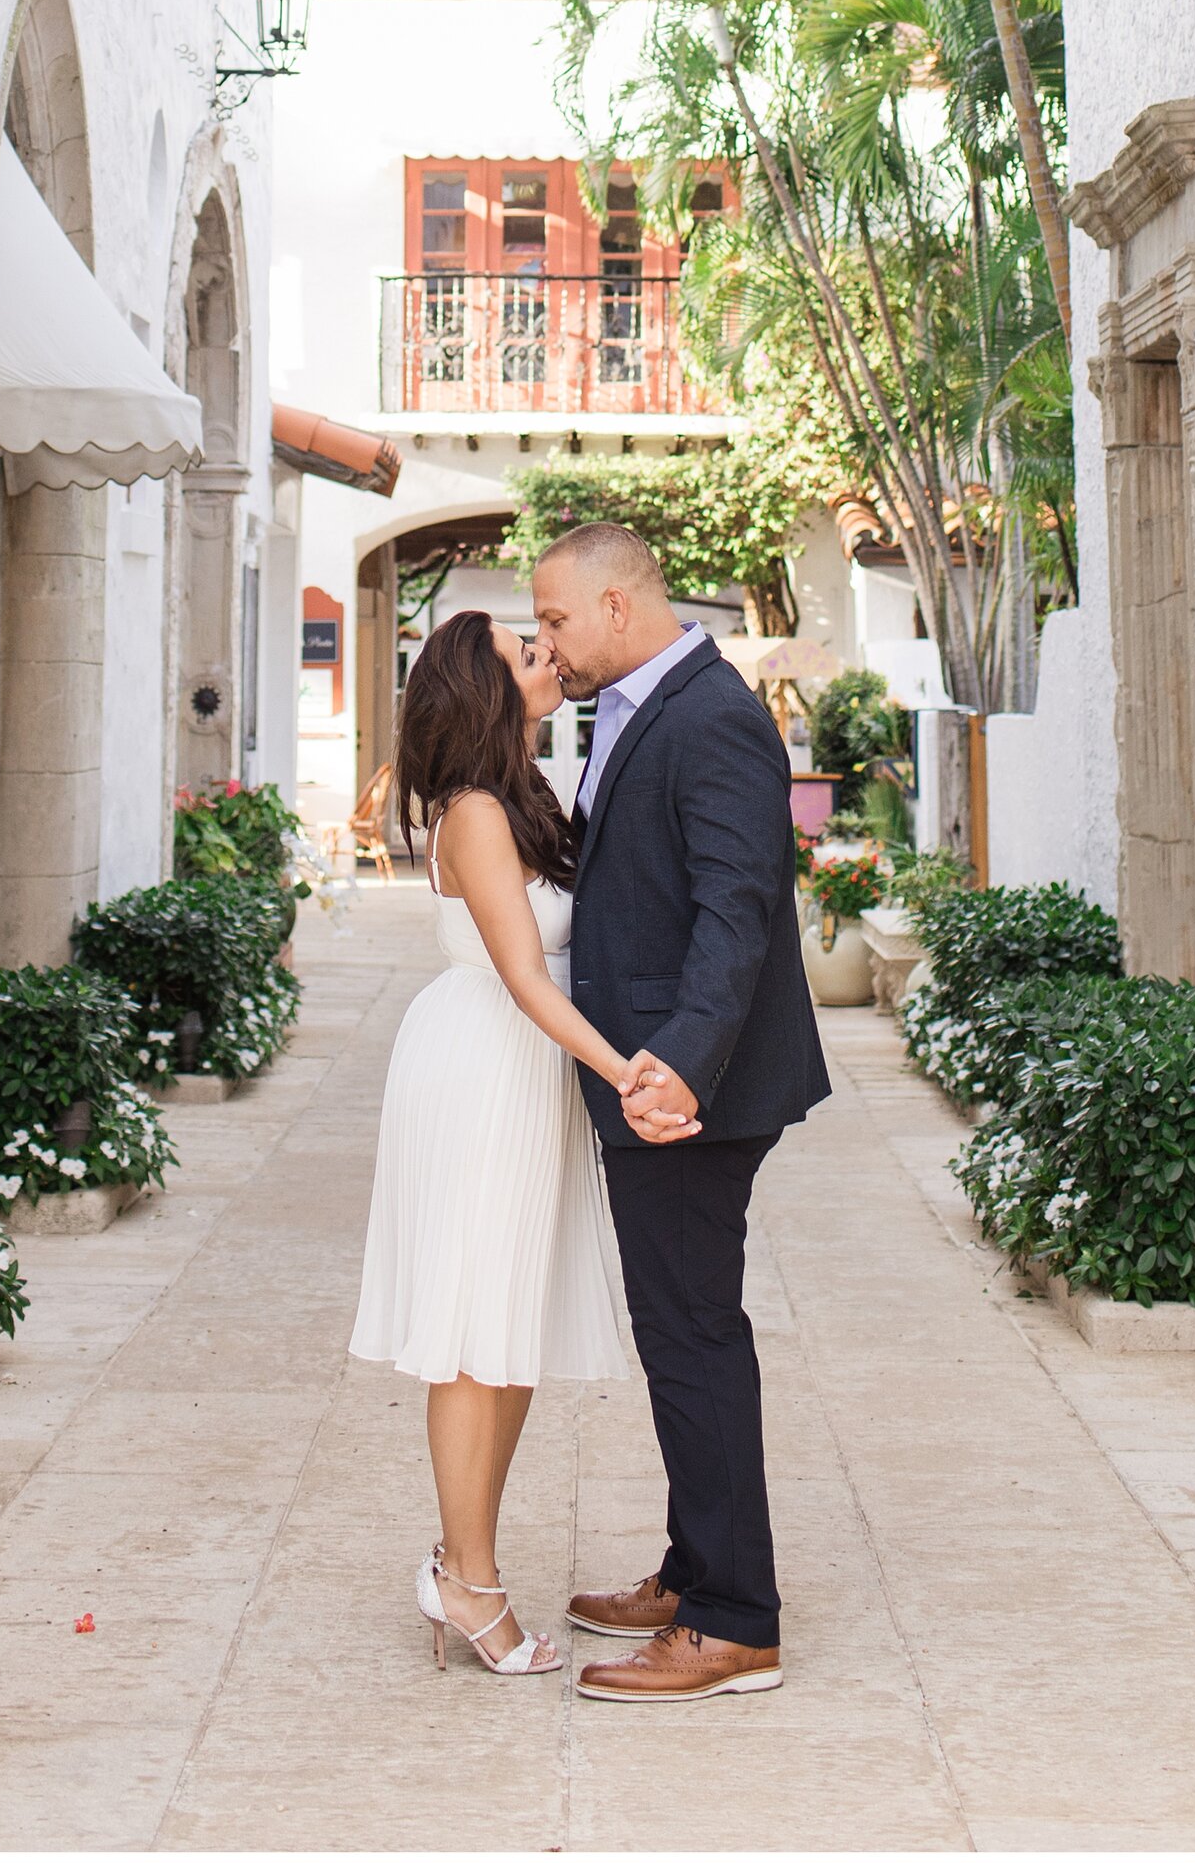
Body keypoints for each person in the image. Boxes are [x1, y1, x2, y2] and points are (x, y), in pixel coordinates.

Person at [347, 604, 680, 1675]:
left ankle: (460, 1561)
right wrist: (624, 1067)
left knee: (513, 1335)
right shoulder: (477, 811)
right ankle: (470, 1584)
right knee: (470, 1338)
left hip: (523, 1069)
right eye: (521, 653)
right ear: (481, 692)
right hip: (483, 1067)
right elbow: (526, 977)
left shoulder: (524, 792)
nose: (547, 654)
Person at [532, 519, 829, 1704]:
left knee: (693, 1332)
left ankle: (730, 1620)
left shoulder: (711, 717)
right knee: (676, 1329)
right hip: (654, 1073)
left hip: (681, 1088)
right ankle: (691, 1566)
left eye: (554, 619)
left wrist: (680, 1068)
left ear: (617, 606)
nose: (545, 644)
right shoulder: (631, 705)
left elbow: (738, 908)